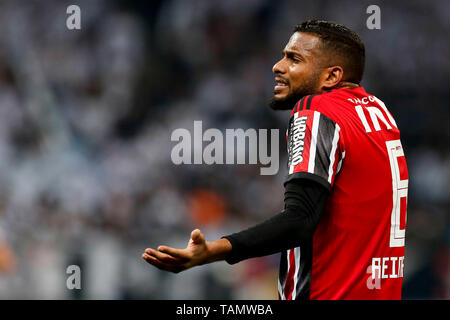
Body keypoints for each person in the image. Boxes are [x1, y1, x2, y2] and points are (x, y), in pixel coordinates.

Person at [142, 19, 409, 300]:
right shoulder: (379, 113)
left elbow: (300, 219)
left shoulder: (316, 110)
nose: (278, 66)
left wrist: (213, 251)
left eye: (294, 59)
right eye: (283, 55)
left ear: (331, 77)